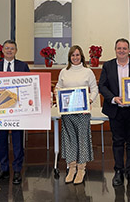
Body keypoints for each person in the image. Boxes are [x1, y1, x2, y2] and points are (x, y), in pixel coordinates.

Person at [98, 38, 130, 189]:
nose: (121, 51)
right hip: (116, 110)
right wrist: (113, 98)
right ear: (115, 50)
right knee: (117, 142)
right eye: (119, 48)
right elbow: (102, 86)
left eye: (124, 48)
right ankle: (118, 171)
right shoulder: (108, 65)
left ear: (129, 50)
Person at [55, 45, 98, 185]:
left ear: (82, 57)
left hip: (83, 112)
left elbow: (95, 89)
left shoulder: (88, 71)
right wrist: (57, 94)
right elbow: (58, 88)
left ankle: (81, 169)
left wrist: (90, 100)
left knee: (82, 139)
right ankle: (71, 168)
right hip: (68, 113)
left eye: (77, 55)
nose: (75, 58)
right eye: (73, 55)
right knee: (69, 139)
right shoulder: (64, 72)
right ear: (69, 57)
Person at [0, 40, 30, 185]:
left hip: (18, 110)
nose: (9, 51)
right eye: (7, 48)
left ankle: (17, 170)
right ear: (2, 50)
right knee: (1, 139)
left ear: (16, 51)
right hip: (0, 110)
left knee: (18, 140)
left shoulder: (23, 66)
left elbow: (28, 87)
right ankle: (4, 169)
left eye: (12, 48)